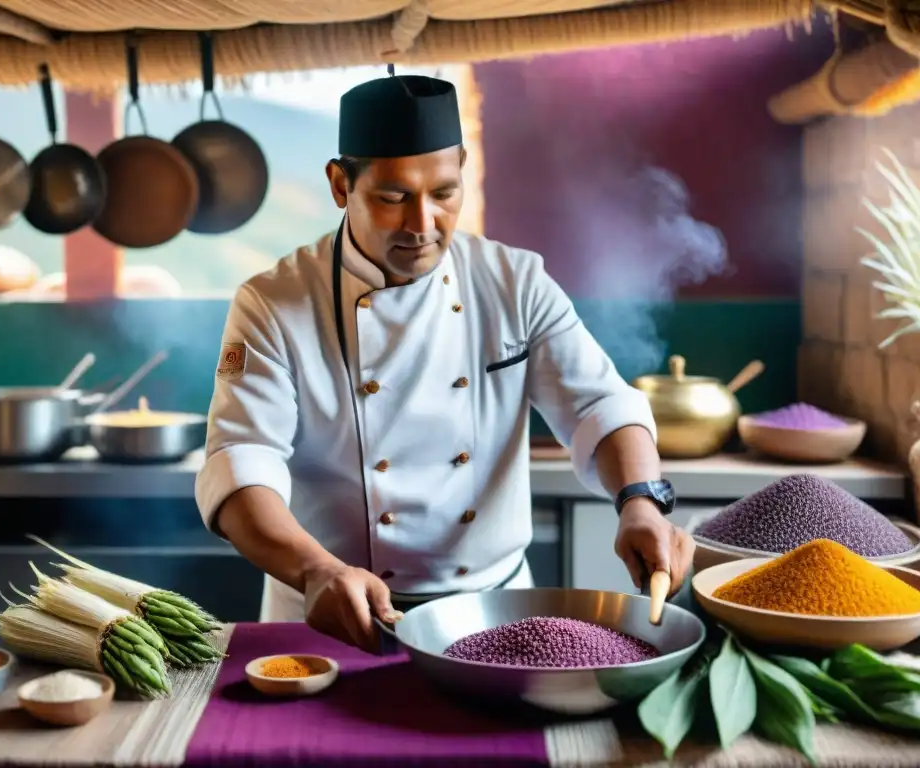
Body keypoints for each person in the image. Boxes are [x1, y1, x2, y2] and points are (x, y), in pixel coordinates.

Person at [195, 70, 695, 652]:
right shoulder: (273, 303)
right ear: (340, 184)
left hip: (493, 614)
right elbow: (241, 461)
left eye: (444, 192)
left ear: (463, 168)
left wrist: (640, 500)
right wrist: (313, 570)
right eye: (393, 197)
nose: (423, 225)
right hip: (332, 616)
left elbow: (599, 406)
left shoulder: (514, 281)